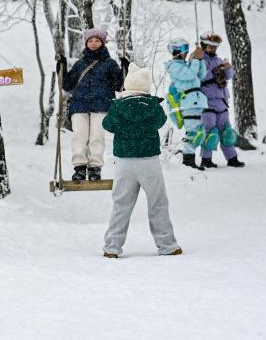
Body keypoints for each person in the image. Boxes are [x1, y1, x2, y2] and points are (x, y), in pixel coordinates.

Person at [102, 63, 181, 258]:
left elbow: (107, 125)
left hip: (124, 162)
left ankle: (112, 247)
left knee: (121, 204)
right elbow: (160, 121)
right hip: (148, 160)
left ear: (127, 87)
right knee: (157, 202)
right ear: (145, 88)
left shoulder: (118, 106)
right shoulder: (153, 106)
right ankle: (167, 245)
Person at [59, 28, 123, 182]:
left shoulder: (110, 64)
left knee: (97, 138)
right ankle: (79, 167)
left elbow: (119, 86)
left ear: (102, 42)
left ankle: (95, 168)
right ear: (86, 43)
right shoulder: (80, 64)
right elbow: (67, 85)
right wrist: (62, 67)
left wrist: (124, 70)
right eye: (90, 41)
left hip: (101, 106)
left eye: (97, 40)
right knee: (79, 137)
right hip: (79, 106)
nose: (94, 43)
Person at [198, 32, 245, 168]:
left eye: (215, 47)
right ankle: (206, 159)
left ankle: (232, 158)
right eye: (210, 47)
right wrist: (214, 71)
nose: (213, 49)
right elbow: (200, 76)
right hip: (208, 104)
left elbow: (228, 76)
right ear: (204, 46)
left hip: (222, 103)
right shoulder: (200, 61)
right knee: (209, 133)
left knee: (227, 132)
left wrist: (228, 68)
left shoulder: (218, 60)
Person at [164, 37, 209, 170]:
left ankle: (189, 158)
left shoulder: (187, 65)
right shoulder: (174, 66)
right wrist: (194, 60)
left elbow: (201, 74)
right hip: (188, 102)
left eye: (187, 49)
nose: (186, 52)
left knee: (199, 132)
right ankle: (188, 161)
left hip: (197, 101)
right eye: (184, 49)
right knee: (193, 133)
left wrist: (200, 59)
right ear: (175, 50)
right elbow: (189, 75)